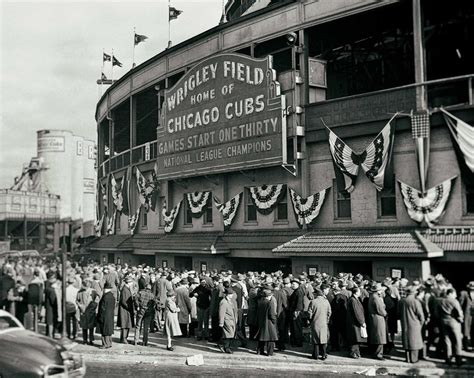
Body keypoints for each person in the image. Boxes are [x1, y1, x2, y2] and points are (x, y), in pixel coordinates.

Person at [399, 286, 425, 363]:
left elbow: (398, 313)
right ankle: (414, 359)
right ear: (414, 293)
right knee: (414, 342)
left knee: (407, 341)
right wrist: (421, 324)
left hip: (405, 323)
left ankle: (407, 358)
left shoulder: (402, 301)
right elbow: (421, 316)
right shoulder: (416, 302)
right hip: (414, 324)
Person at [439, 288, 464, 366]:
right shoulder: (454, 301)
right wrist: (461, 320)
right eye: (454, 293)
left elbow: (437, 312)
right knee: (457, 340)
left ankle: (448, 359)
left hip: (443, 321)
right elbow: (459, 312)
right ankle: (458, 360)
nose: (455, 295)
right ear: (451, 293)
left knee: (447, 340)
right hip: (454, 322)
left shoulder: (441, 300)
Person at [307, 285, 331, 360]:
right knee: (323, 339)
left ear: (316, 294)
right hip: (324, 323)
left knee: (315, 340)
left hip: (315, 323)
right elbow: (329, 312)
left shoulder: (313, 302)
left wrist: (310, 320)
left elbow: (309, 313)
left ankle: (315, 355)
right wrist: (327, 320)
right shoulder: (326, 301)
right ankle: (324, 354)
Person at [367, 282, 387, 360]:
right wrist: (385, 313)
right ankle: (379, 354)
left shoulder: (372, 296)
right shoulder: (376, 298)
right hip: (378, 318)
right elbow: (380, 309)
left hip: (373, 318)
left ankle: (376, 353)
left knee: (376, 336)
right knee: (380, 336)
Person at [256, 288, 278, 356]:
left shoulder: (260, 302)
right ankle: (270, 352)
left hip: (261, 321)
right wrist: (274, 321)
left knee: (261, 336)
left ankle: (259, 351)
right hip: (269, 322)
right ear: (269, 296)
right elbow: (272, 314)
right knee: (271, 338)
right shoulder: (269, 303)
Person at [346, 286, 366, 359]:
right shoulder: (353, 300)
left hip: (354, 322)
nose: (360, 293)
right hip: (354, 323)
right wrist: (362, 322)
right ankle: (353, 353)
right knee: (354, 338)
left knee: (356, 338)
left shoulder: (354, 299)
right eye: (359, 291)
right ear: (356, 292)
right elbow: (357, 312)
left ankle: (356, 352)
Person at [76, 280, 97, 345]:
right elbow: (77, 300)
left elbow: (96, 300)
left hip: (91, 311)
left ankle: (91, 340)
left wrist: (93, 308)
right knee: (84, 327)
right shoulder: (80, 292)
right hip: (83, 311)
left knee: (91, 327)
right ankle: (84, 340)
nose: (85, 288)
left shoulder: (93, 291)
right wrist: (80, 305)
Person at [219, 287, 237, 354]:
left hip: (231, 320)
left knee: (229, 334)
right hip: (227, 320)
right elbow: (221, 312)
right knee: (229, 334)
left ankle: (224, 346)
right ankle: (226, 347)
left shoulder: (229, 301)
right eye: (230, 294)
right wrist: (221, 322)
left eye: (231, 294)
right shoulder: (224, 302)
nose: (231, 295)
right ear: (226, 294)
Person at [97, 282, 115, 349]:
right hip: (110, 315)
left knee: (104, 330)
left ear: (105, 289)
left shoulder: (105, 297)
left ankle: (105, 344)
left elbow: (102, 308)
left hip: (104, 316)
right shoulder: (112, 296)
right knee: (109, 330)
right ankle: (109, 343)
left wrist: (100, 316)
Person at [117, 276, 135, 344]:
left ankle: (124, 338)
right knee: (125, 324)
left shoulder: (126, 288)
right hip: (125, 310)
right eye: (131, 282)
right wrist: (129, 308)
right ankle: (123, 338)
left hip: (126, 309)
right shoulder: (125, 289)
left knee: (127, 324)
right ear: (129, 282)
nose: (132, 283)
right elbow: (123, 301)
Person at [44, 271, 62, 338]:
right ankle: (50, 334)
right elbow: (53, 299)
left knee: (50, 321)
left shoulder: (47, 285)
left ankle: (50, 334)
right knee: (51, 321)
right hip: (52, 307)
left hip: (49, 306)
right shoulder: (51, 289)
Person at [288, 278, 305, 347]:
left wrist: (296, 312)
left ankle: (297, 342)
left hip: (297, 312)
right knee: (295, 327)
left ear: (298, 284)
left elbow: (299, 303)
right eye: (292, 284)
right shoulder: (296, 291)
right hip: (296, 311)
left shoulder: (299, 292)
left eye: (293, 284)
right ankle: (295, 341)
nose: (292, 285)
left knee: (296, 327)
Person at [459, 281, 474, 351]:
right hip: (467, 314)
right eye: (471, 286)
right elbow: (460, 304)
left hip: (473, 314)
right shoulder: (464, 293)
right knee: (466, 330)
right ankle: (466, 346)